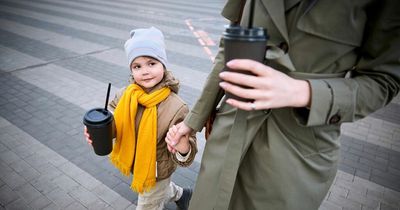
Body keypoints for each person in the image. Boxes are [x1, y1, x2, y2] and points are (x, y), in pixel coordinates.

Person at [165, 0, 400, 209]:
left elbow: (384, 80)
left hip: (297, 149)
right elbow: (231, 45)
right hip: (230, 131)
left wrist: (305, 92)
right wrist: (193, 121)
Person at [84, 27, 197, 210]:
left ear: (163, 64)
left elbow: (187, 154)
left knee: (148, 204)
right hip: (137, 163)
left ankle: (172, 193)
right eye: (137, 66)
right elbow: (115, 122)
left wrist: (183, 146)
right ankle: (181, 194)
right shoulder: (125, 95)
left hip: (156, 172)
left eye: (151, 63)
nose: (144, 71)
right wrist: (102, 129)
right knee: (161, 191)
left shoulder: (177, 107)